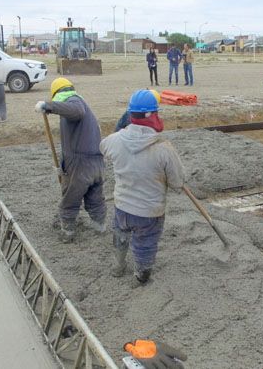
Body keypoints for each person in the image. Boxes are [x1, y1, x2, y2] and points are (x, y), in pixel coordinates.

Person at [100, 89, 184, 285]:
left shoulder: (115, 141)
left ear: (130, 115)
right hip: (149, 212)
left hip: (122, 205)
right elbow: (178, 184)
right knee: (145, 244)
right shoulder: (164, 149)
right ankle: (141, 275)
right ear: (154, 115)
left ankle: (118, 266)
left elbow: (103, 148)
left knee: (121, 234)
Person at [35, 78, 106, 243]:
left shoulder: (74, 102)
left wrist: (48, 106)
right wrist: (62, 166)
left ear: (56, 94)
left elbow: (76, 111)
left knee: (70, 200)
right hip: (97, 161)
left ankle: (67, 232)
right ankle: (99, 227)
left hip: (81, 165)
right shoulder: (81, 103)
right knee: (95, 199)